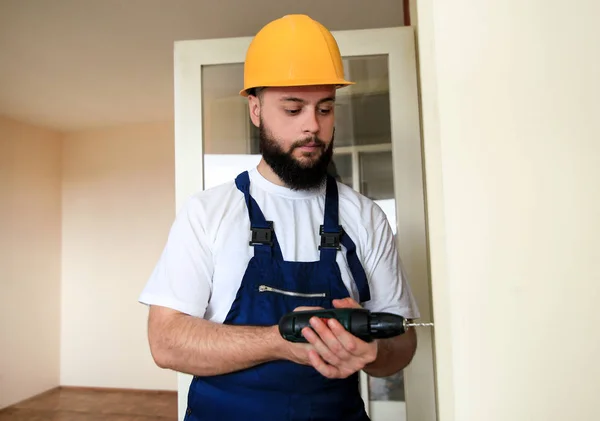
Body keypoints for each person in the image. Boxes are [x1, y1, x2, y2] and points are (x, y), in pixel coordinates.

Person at [139, 14, 420, 421]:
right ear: (255, 109)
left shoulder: (365, 217)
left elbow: (403, 345)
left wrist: (373, 352)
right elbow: (165, 342)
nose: (313, 126)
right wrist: (278, 341)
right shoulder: (208, 213)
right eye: (293, 109)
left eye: (325, 108)